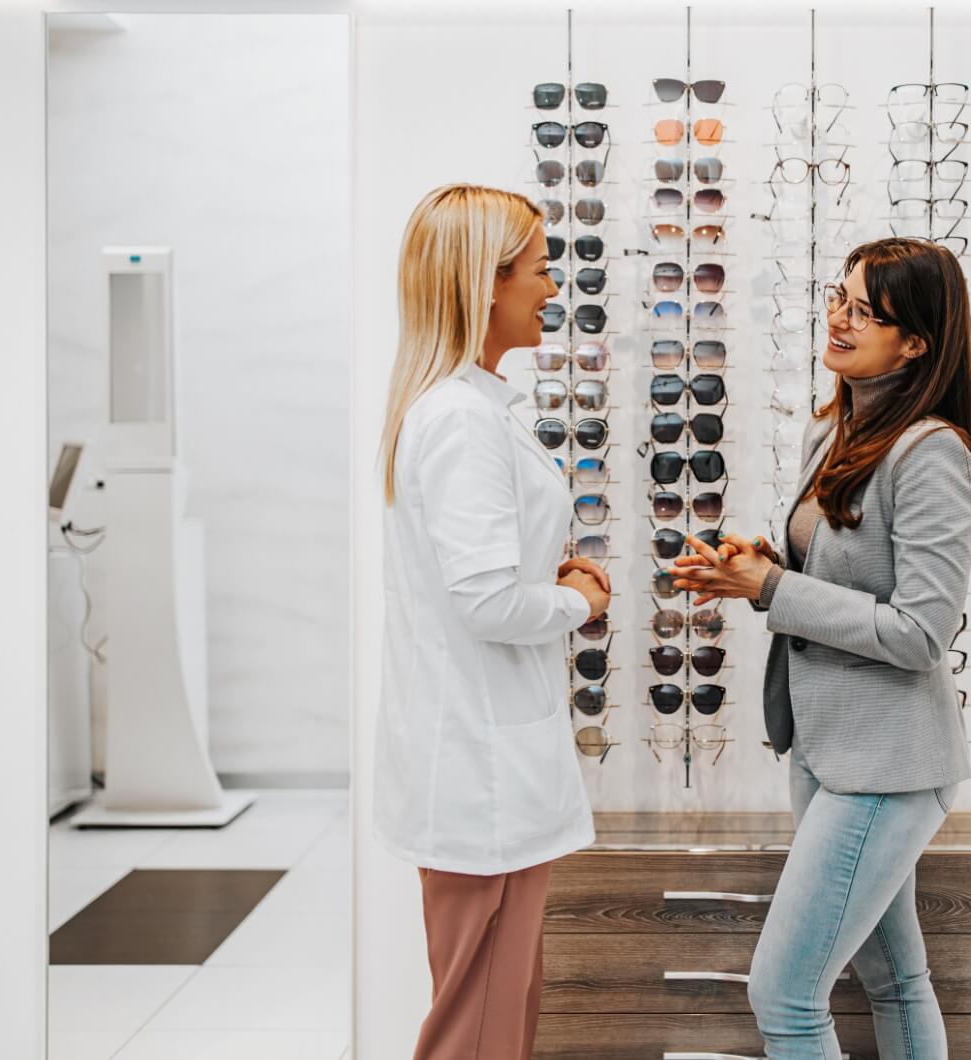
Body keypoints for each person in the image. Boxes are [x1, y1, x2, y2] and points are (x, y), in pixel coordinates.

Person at [673, 236, 971, 1060]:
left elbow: (920, 634)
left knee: (783, 995)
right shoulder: (839, 433)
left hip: (885, 765)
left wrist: (775, 592)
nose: (839, 318)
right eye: (837, 297)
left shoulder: (932, 454)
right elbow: (840, 580)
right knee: (894, 980)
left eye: (864, 310)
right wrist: (764, 568)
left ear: (915, 342)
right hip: (825, 747)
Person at [372, 184, 611, 1060]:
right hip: (481, 777)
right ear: (488, 282)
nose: (555, 288)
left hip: (487, 765)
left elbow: (467, 579)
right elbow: (483, 605)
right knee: (476, 1028)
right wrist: (578, 603)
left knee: (496, 1015)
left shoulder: (466, 410)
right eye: (543, 271)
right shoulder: (461, 423)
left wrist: (541, 574)